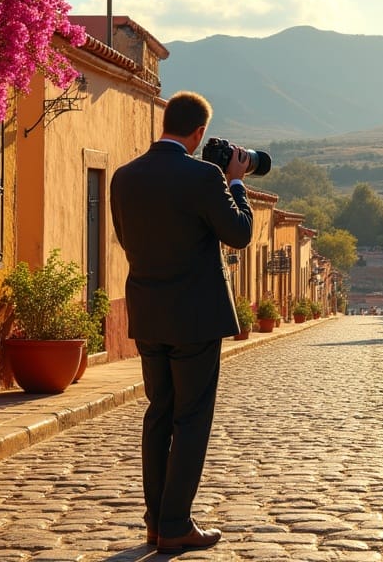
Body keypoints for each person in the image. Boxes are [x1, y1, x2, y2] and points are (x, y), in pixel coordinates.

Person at [109, 91, 254, 553]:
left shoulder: (124, 177)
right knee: (191, 420)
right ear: (199, 133)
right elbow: (240, 234)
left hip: (148, 315)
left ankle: (155, 520)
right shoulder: (205, 176)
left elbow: (123, 237)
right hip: (195, 319)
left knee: (159, 415)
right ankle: (175, 525)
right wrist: (236, 183)